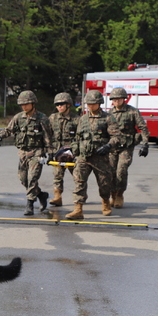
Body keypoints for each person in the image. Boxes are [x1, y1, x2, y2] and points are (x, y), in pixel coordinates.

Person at [65, 90, 121, 220]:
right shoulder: (83, 119)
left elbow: (116, 136)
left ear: (99, 103)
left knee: (104, 183)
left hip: (100, 157)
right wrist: (75, 148)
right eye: (88, 104)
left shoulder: (108, 118)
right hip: (83, 157)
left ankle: (106, 202)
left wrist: (108, 146)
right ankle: (78, 209)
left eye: (93, 103)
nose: (90, 106)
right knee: (79, 182)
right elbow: (77, 137)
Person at [0, 90, 52, 215]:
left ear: (33, 103)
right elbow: (9, 129)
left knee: (32, 179)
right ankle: (41, 195)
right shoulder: (18, 117)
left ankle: (30, 204)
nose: (24, 106)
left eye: (26, 104)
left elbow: (48, 136)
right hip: (23, 153)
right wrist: (0, 137)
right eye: (22, 104)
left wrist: (50, 153)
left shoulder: (42, 118)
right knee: (23, 179)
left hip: (37, 152)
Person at [107, 87, 150, 208]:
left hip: (126, 146)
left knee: (121, 170)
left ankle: (120, 194)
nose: (117, 101)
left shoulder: (133, 112)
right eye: (114, 99)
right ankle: (112, 194)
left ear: (124, 99)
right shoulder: (109, 113)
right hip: (112, 147)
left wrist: (145, 144)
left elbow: (143, 128)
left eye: (119, 99)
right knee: (111, 171)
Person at [47, 92, 79, 206]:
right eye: (57, 104)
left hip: (72, 153)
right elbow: (48, 136)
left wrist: (76, 153)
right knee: (57, 175)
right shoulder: (52, 118)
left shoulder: (76, 119)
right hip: (58, 153)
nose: (59, 106)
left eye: (62, 104)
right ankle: (57, 197)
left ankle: (79, 198)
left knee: (78, 177)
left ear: (68, 105)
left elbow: (80, 137)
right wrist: (50, 152)